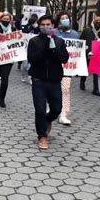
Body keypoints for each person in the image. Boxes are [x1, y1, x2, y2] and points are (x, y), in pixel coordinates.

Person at [28, 15, 69, 150]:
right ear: (39, 26)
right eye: (43, 25)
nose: (46, 27)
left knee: (56, 109)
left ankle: (48, 119)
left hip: (54, 81)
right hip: (39, 80)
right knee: (39, 109)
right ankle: (42, 136)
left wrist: (54, 48)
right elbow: (32, 59)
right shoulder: (34, 42)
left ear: (53, 26)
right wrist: (45, 47)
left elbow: (64, 59)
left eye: (48, 25)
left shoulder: (59, 41)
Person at [54, 11, 79, 126]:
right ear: (58, 20)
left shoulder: (75, 34)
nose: (65, 20)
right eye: (62, 18)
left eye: (67, 18)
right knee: (53, 89)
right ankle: (52, 107)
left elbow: (78, 50)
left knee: (65, 89)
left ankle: (63, 114)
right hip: (54, 66)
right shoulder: (54, 32)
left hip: (68, 67)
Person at [79, 16, 100, 96]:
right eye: (96, 22)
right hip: (87, 53)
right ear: (93, 22)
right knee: (85, 70)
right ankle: (82, 82)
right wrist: (84, 48)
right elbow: (81, 40)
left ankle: (95, 89)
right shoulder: (87, 30)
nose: (98, 24)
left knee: (96, 72)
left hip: (98, 55)